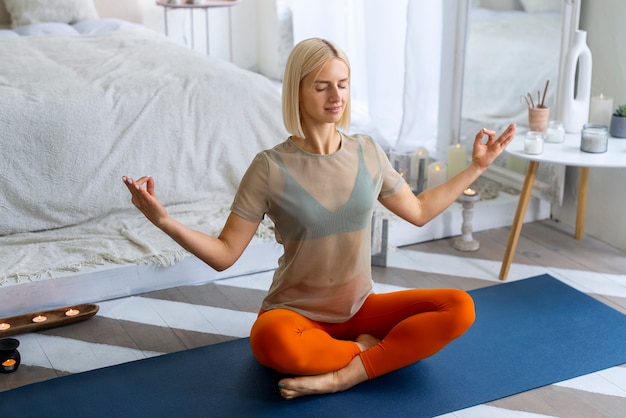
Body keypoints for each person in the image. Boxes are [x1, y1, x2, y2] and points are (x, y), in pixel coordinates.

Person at [123, 38, 515, 400]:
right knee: (270, 344)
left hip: (361, 307)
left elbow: (419, 211)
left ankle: (348, 372)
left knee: (460, 307)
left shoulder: (367, 152)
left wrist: (477, 168)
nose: (336, 96)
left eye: (342, 84)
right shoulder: (269, 167)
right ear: (297, 90)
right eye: (322, 85)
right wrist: (163, 221)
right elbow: (225, 254)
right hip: (295, 316)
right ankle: (367, 351)